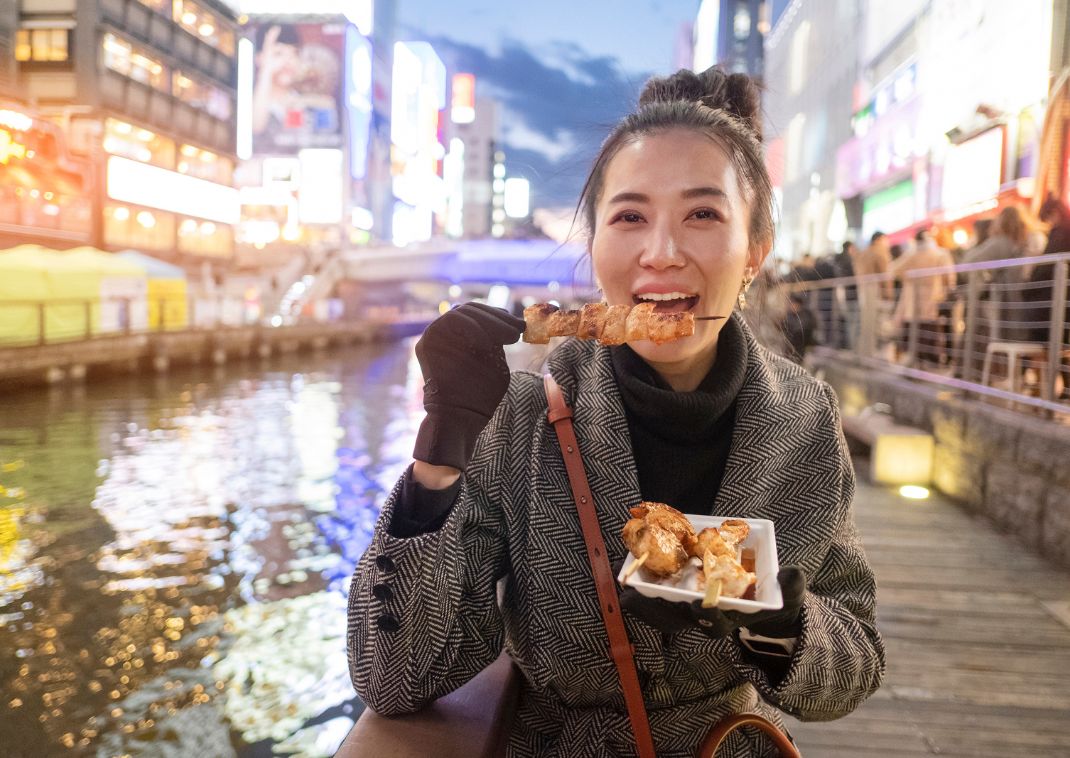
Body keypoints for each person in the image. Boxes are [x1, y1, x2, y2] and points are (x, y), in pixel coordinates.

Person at [346, 66, 885, 756]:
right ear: (594, 244)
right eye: (630, 217)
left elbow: (854, 663)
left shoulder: (805, 418)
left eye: (703, 214)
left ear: (755, 251)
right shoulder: (521, 414)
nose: (661, 253)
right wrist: (440, 452)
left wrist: (772, 620)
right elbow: (393, 679)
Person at [890, 228, 956, 365]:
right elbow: (949, 278)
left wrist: (908, 278)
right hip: (933, 300)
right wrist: (946, 291)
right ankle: (930, 362)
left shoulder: (911, 255)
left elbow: (894, 269)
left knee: (915, 335)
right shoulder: (939, 254)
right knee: (930, 333)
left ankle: (916, 362)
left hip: (913, 303)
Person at [853, 231, 893, 356]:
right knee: (878, 326)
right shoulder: (880, 251)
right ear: (879, 239)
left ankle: (865, 353)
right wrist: (889, 294)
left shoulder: (863, 253)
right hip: (876, 292)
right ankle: (876, 354)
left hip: (863, 291)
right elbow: (885, 275)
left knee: (866, 325)